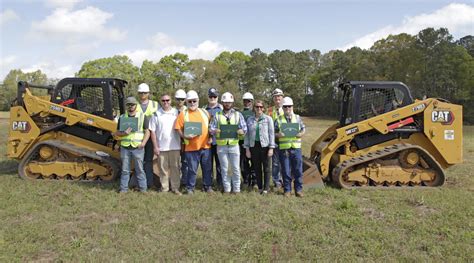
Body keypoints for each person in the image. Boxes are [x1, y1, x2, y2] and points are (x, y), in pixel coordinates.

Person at [175, 90, 213, 194]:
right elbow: (178, 128)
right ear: (186, 102)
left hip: (205, 147)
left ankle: (207, 186)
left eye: (194, 101)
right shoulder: (183, 114)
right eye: (190, 101)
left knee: (207, 169)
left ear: (198, 101)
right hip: (191, 148)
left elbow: (210, 126)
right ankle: (190, 188)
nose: (192, 103)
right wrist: (184, 136)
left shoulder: (204, 112)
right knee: (191, 170)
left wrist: (211, 137)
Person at [210, 92, 247, 194]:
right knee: (224, 168)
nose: (227, 104)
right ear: (222, 102)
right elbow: (211, 128)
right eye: (225, 102)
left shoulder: (237, 115)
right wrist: (214, 131)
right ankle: (227, 189)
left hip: (234, 145)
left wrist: (242, 131)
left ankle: (236, 189)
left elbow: (244, 128)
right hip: (221, 146)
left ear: (232, 103)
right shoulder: (217, 115)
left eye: (229, 102)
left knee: (235, 168)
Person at [114, 97, 150, 193]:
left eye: (132, 104)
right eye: (129, 105)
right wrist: (124, 133)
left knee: (140, 170)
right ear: (126, 106)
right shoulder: (122, 117)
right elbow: (117, 132)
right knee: (125, 170)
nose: (131, 106)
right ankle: (123, 189)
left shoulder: (142, 116)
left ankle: (143, 189)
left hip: (138, 147)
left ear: (136, 105)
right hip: (125, 147)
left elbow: (147, 132)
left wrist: (143, 143)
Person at [149, 94, 182, 195]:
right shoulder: (156, 114)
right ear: (160, 101)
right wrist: (155, 146)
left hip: (175, 146)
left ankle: (175, 188)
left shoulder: (177, 113)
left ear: (171, 101)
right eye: (163, 100)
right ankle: (164, 188)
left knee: (175, 168)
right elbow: (152, 131)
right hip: (161, 147)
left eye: (167, 100)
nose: (165, 102)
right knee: (162, 169)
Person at [274, 97, 305, 197]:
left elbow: (303, 129)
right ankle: (287, 190)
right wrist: (279, 135)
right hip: (284, 149)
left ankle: (298, 190)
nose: (287, 108)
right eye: (285, 106)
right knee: (286, 170)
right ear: (282, 108)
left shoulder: (297, 117)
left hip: (296, 148)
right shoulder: (278, 120)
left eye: (289, 106)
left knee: (298, 170)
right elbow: (274, 133)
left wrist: (301, 134)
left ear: (292, 107)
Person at [244, 100, 275, 195]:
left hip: (265, 146)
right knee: (257, 168)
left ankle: (266, 188)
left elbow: (271, 134)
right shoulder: (249, 119)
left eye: (261, 107)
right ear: (254, 108)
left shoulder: (268, 119)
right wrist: (247, 149)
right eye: (257, 107)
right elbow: (247, 135)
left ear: (264, 108)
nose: (259, 109)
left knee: (267, 168)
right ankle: (260, 187)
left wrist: (271, 148)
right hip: (254, 146)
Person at [134, 83, 159, 189]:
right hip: (139, 138)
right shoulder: (135, 106)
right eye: (141, 93)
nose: (143, 94)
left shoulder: (155, 104)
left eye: (145, 92)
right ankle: (138, 183)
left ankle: (149, 183)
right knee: (138, 161)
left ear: (148, 93)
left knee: (148, 161)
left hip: (151, 138)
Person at [203, 87, 223, 190]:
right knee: (207, 164)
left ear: (217, 97)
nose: (212, 98)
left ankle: (220, 183)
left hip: (219, 141)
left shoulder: (222, 109)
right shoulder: (203, 109)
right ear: (208, 97)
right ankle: (208, 184)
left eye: (214, 96)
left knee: (220, 164)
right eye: (211, 96)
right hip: (207, 141)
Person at [267, 88, 285, 191]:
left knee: (285, 162)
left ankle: (285, 180)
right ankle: (277, 181)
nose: (277, 98)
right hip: (274, 140)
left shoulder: (287, 108)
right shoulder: (269, 110)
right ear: (273, 98)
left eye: (279, 96)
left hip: (284, 140)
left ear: (282, 97)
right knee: (275, 163)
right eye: (275, 96)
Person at [240, 92, 255, 188]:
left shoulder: (255, 112)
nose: (247, 103)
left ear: (252, 101)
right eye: (245, 101)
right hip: (241, 141)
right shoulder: (239, 113)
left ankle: (254, 180)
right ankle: (246, 179)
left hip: (253, 141)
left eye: (249, 101)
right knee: (243, 162)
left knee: (254, 161)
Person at [175, 89, 188, 188]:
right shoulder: (171, 111)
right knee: (175, 161)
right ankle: (176, 180)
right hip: (174, 139)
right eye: (178, 99)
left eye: (182, 99)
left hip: (185, 140)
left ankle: (184, 180)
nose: (180, 101)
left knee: (185, 161)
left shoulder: (188, 111)